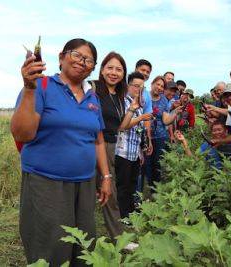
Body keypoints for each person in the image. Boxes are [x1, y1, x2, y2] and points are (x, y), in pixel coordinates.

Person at [11, 38, 111, 266]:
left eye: (89, 60)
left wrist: (105, 177)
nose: (82, 62)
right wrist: (28, 88)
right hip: (47, 183)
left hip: (85, 183)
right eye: (77, 55)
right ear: (61, 57)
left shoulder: (92, 97)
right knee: (50, 246)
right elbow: (22, 134)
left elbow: (97, 140)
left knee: (82, 244)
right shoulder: (41, 86)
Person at [93, 52, 127, 240]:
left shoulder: (120, 96)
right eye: (110, 67)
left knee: (109, 192)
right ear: (102, 69)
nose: (114, 72)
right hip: (92, 144)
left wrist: (131, 110)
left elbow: (120, 126)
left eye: (119, 69)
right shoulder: (92, 87)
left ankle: (118, 237)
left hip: (111, 146)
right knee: (85, 190)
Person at [115, 72, 152, 219]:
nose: (138, 89)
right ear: (128, 85)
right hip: (122, 151)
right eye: (136, 86)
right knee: (122, 185)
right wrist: (142, 117)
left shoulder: (140, 105)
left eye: (141, 87)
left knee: (132, 184)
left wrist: (140, 152)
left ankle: (130, 213)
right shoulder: (123, 102)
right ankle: (122, 215)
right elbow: (123, 126)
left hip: (134, 152)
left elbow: (139, 131)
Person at [144, 76, 181, 190]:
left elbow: (165, 120)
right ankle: (148, 186)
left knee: (157, 163)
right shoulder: (144, 96)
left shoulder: (164, 100)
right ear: (152, 83)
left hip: (160, 136)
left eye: (162, 86)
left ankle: (156, 189)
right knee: (147, 164)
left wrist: (174, 112)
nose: (159, 88)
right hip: (145, 135)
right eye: (158, 84)